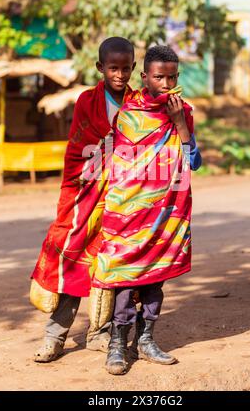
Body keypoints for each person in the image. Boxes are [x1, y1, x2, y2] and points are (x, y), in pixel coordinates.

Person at [91, 45, 202, 375]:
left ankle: (147, 339)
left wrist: (179, 121)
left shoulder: (184, 112)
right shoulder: (128, 115)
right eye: (159, 77)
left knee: (156, 279)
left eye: (172, 77)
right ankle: (116, 344)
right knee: (126, 278)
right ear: (144, 77)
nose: (166, 84)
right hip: (129, 213)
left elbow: (193, 161)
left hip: (167, 212)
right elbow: (119, 167)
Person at [32, 37, 136, 362]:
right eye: (113, 68)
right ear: (100, 68)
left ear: (133, 68)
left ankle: (99, 334)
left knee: (109, 265)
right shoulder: (86, 102)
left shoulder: (140, 103)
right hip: (84, 195)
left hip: (122, 198)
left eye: (125, 68)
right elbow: (77, 148)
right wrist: (104, 156)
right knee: (71, 257)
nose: (119, 74)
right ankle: (55, 335)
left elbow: (145, 149)